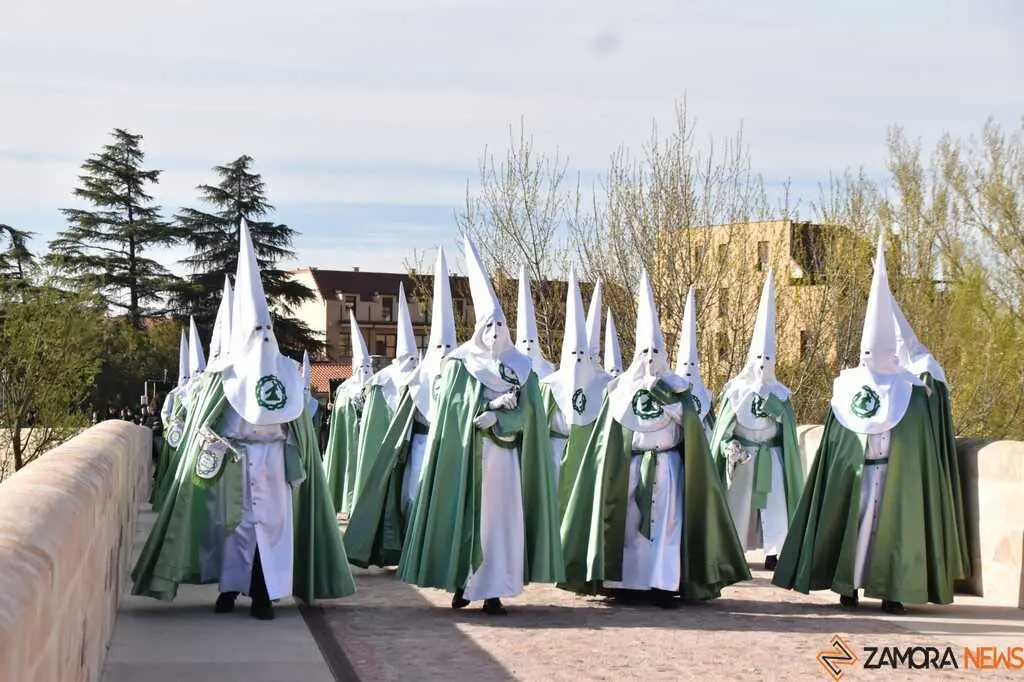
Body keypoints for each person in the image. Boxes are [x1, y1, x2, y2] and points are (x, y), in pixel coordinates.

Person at [130, 219, 355, 619]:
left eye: (267, 329)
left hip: (274, 466)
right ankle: (231, 589)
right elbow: (207, 419)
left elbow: (298, 422)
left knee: (271, 531)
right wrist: (211, 445)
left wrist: (294, 453)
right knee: (235, 531)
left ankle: (265, 594)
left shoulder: (287, 371)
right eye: (257, 330)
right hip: (234, 465)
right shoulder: (225, 377)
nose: (264, 336)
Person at [772, 235, 968, 614]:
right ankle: (848, 587)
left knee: (890, 534)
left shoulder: (912, 393)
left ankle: (892, 592)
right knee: (855, 530)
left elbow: (921, 443)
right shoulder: (847, 389)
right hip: (858, 475)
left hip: (894, 475)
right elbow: (836, 443)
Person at [559, 270, 749, 608]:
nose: (650, 359)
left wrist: (675, 409)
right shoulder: (619, 393)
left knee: (668, 525)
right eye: (644, 352)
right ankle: (627, 583)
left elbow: (691, 429)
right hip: (631, 468)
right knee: (629, 524)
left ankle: (663, 583)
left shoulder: (679, 390)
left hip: (670, 468)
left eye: (655, 353)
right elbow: (608, 439)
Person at [397, 237, 563, 616]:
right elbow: (452, 410)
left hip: (505, 460)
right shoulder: (460, 365)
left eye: (500, 324)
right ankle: (464, 583)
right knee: (468, 519)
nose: (494, 331)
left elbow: (530, 416)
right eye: (489, 324)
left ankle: (494, 591)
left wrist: (503, 417)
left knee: (501, 524)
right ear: (479, 327)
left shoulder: (522, 369)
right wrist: (484, 407)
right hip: (470, 461)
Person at [345, 249, 458, 568]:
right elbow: (404, 421)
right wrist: (403, 447)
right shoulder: (415, 379)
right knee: (412, 496)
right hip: (421, 446)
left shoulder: (465, 375)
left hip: (454, 449)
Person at [708, 271, 804, 572]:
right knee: (738, 504)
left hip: (771, 454)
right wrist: (729, 447)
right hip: (744, 456)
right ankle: (732, 548)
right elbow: (724, 427)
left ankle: (776, 551)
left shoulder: (781, 393)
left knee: (775, 504)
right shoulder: (735, 390)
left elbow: (786, 428)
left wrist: (777, 410)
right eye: (759, 360)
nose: (763, 366)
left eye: (769, 361)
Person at [539, 269, 610, 511]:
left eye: (583, 355)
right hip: (554, 455)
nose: (580, 360)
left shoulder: (601, 386)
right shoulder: (549, 385)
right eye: (575, 354)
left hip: (587, 457)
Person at [323, 311, 373, 515]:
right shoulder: (345, 390)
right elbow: (340, 416)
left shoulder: (378, 385)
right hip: (351, 439)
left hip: (369, 439)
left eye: (368, 366)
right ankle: (348, 506)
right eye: (361, 366)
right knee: (350, 471)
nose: (365, 370)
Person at [673, 286, 715, 437]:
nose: (688, 369)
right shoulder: (669, 395)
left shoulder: (706, 396)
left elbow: (713, 427)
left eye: (692, 365)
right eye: (685, 365)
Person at [515, 264, 556, 380]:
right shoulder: (508, 370)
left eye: (531, 341)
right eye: (524, 341)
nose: (528, 346)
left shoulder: (549, 371)